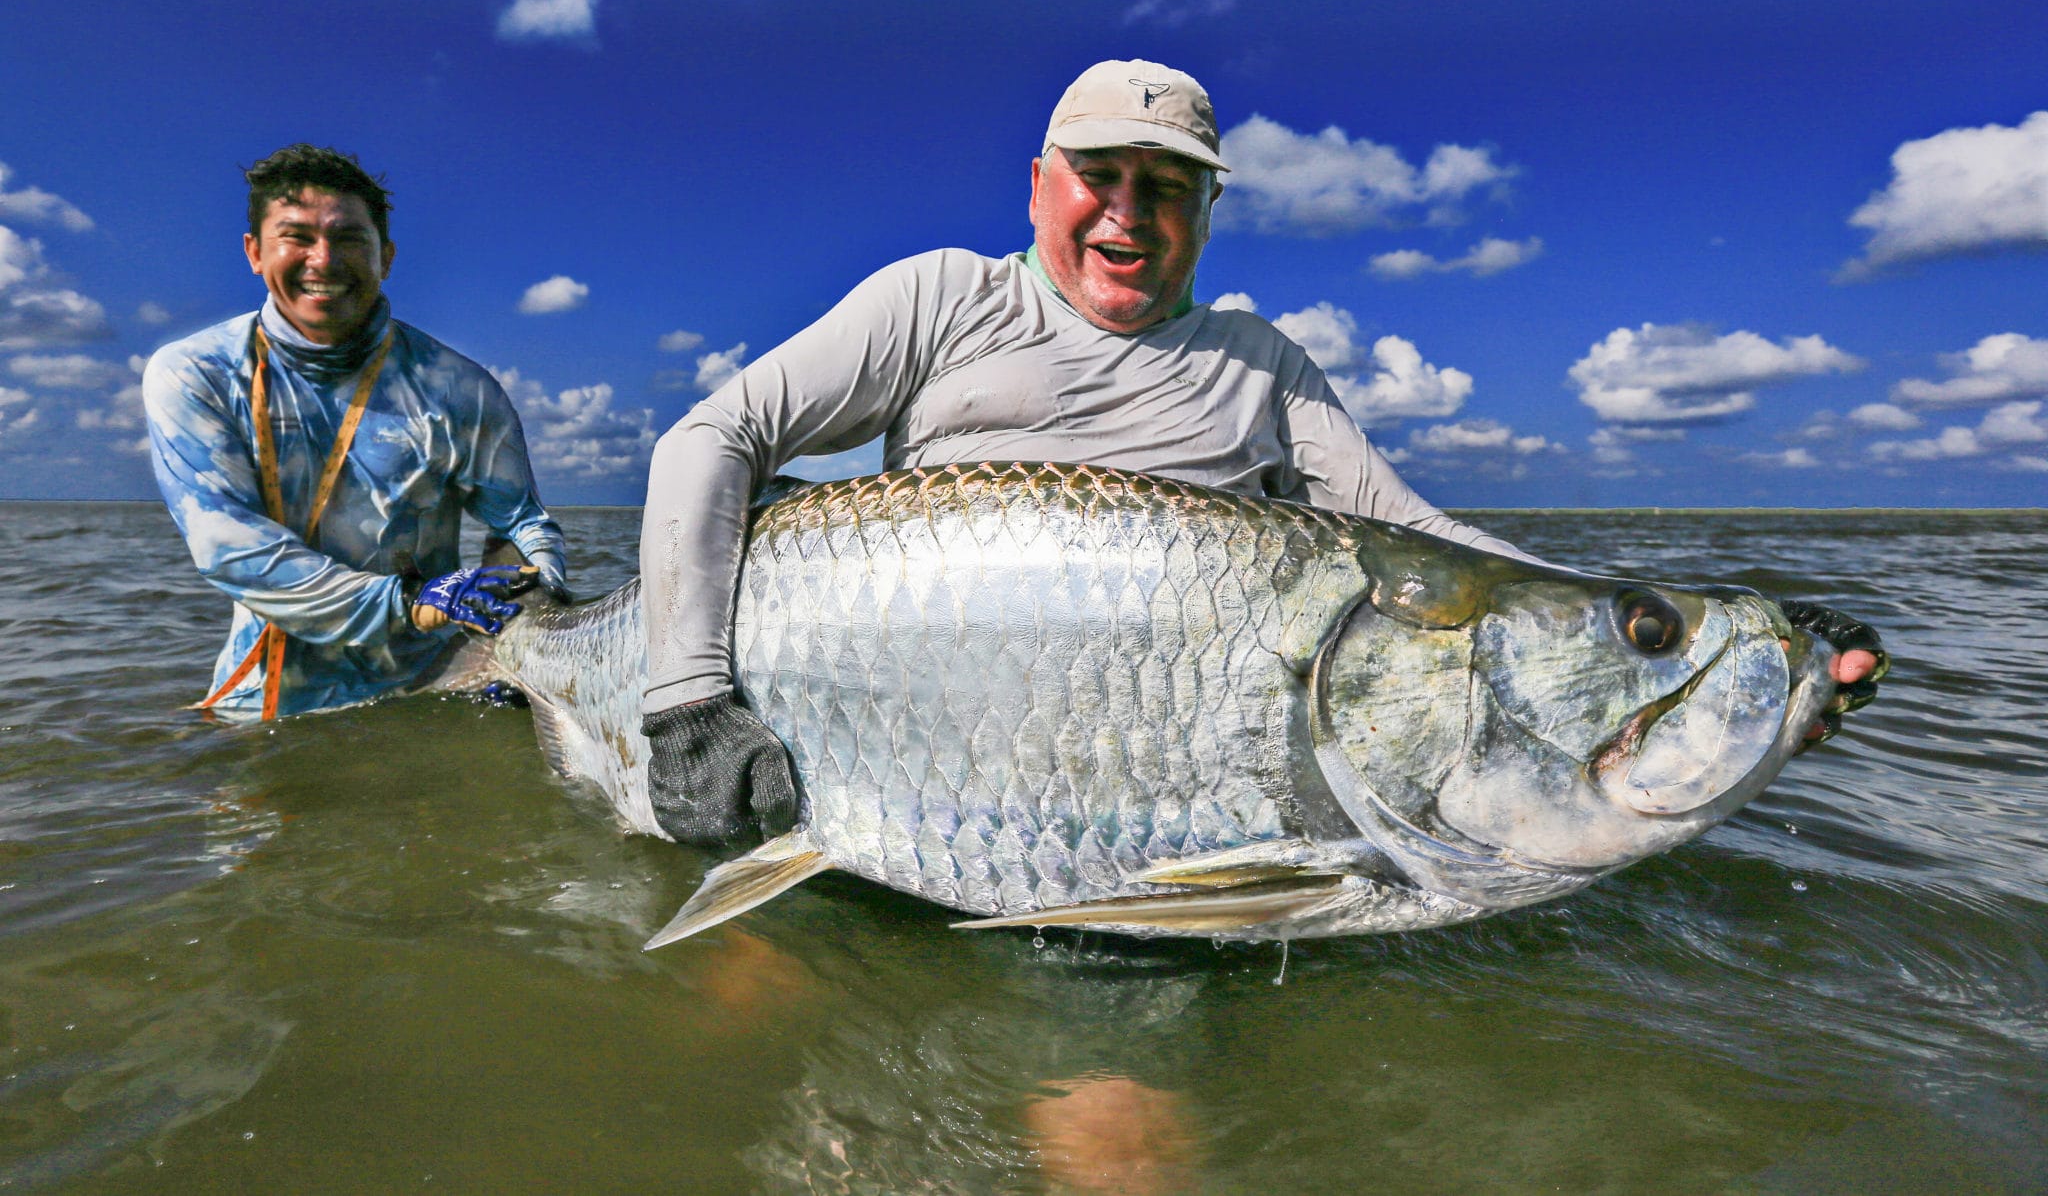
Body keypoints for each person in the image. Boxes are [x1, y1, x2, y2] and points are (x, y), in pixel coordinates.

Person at [638, 60, 1883, 844]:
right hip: (858, 722)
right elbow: (714, 439)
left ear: (1206, 213)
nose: (1127, 211)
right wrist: (688, 702)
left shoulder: (1260, 362)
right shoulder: (939, 298)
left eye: (1167, 186)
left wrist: (1699, 657)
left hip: (1153, 792)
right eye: (1098, 175)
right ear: (1037, 185)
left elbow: (1431, 550)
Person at [144, 144, 569, 719]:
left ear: (386, 255)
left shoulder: (458, 386)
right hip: (268, 700)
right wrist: (411, 603)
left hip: (438, 685)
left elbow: (519, 522)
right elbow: (229, 548)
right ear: (253, 252)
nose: (323, 260)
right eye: (296, 237)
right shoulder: (197, 373)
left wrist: (517, 639)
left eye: (348, 239)